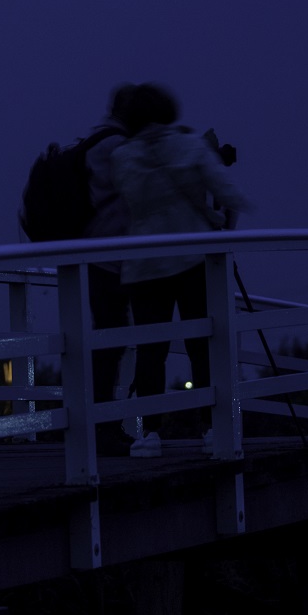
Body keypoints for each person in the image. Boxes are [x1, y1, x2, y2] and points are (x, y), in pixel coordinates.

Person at [110, 84, 248, 454]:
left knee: (150, 350)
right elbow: (230, 193)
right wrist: (219, 218)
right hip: (191, 258)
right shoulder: (190, 147)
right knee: (202, 344)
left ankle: (150, 433)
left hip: (144, 263)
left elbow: (123, 204)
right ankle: (211, 428)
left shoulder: (123, 157)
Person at [80, 84, 137, 456]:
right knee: (110, 345)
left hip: (94, 257)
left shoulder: (94, 141)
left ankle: (104, 426)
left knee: (108, 342)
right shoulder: (117, 148)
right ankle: (104, 429)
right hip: (109, 260)